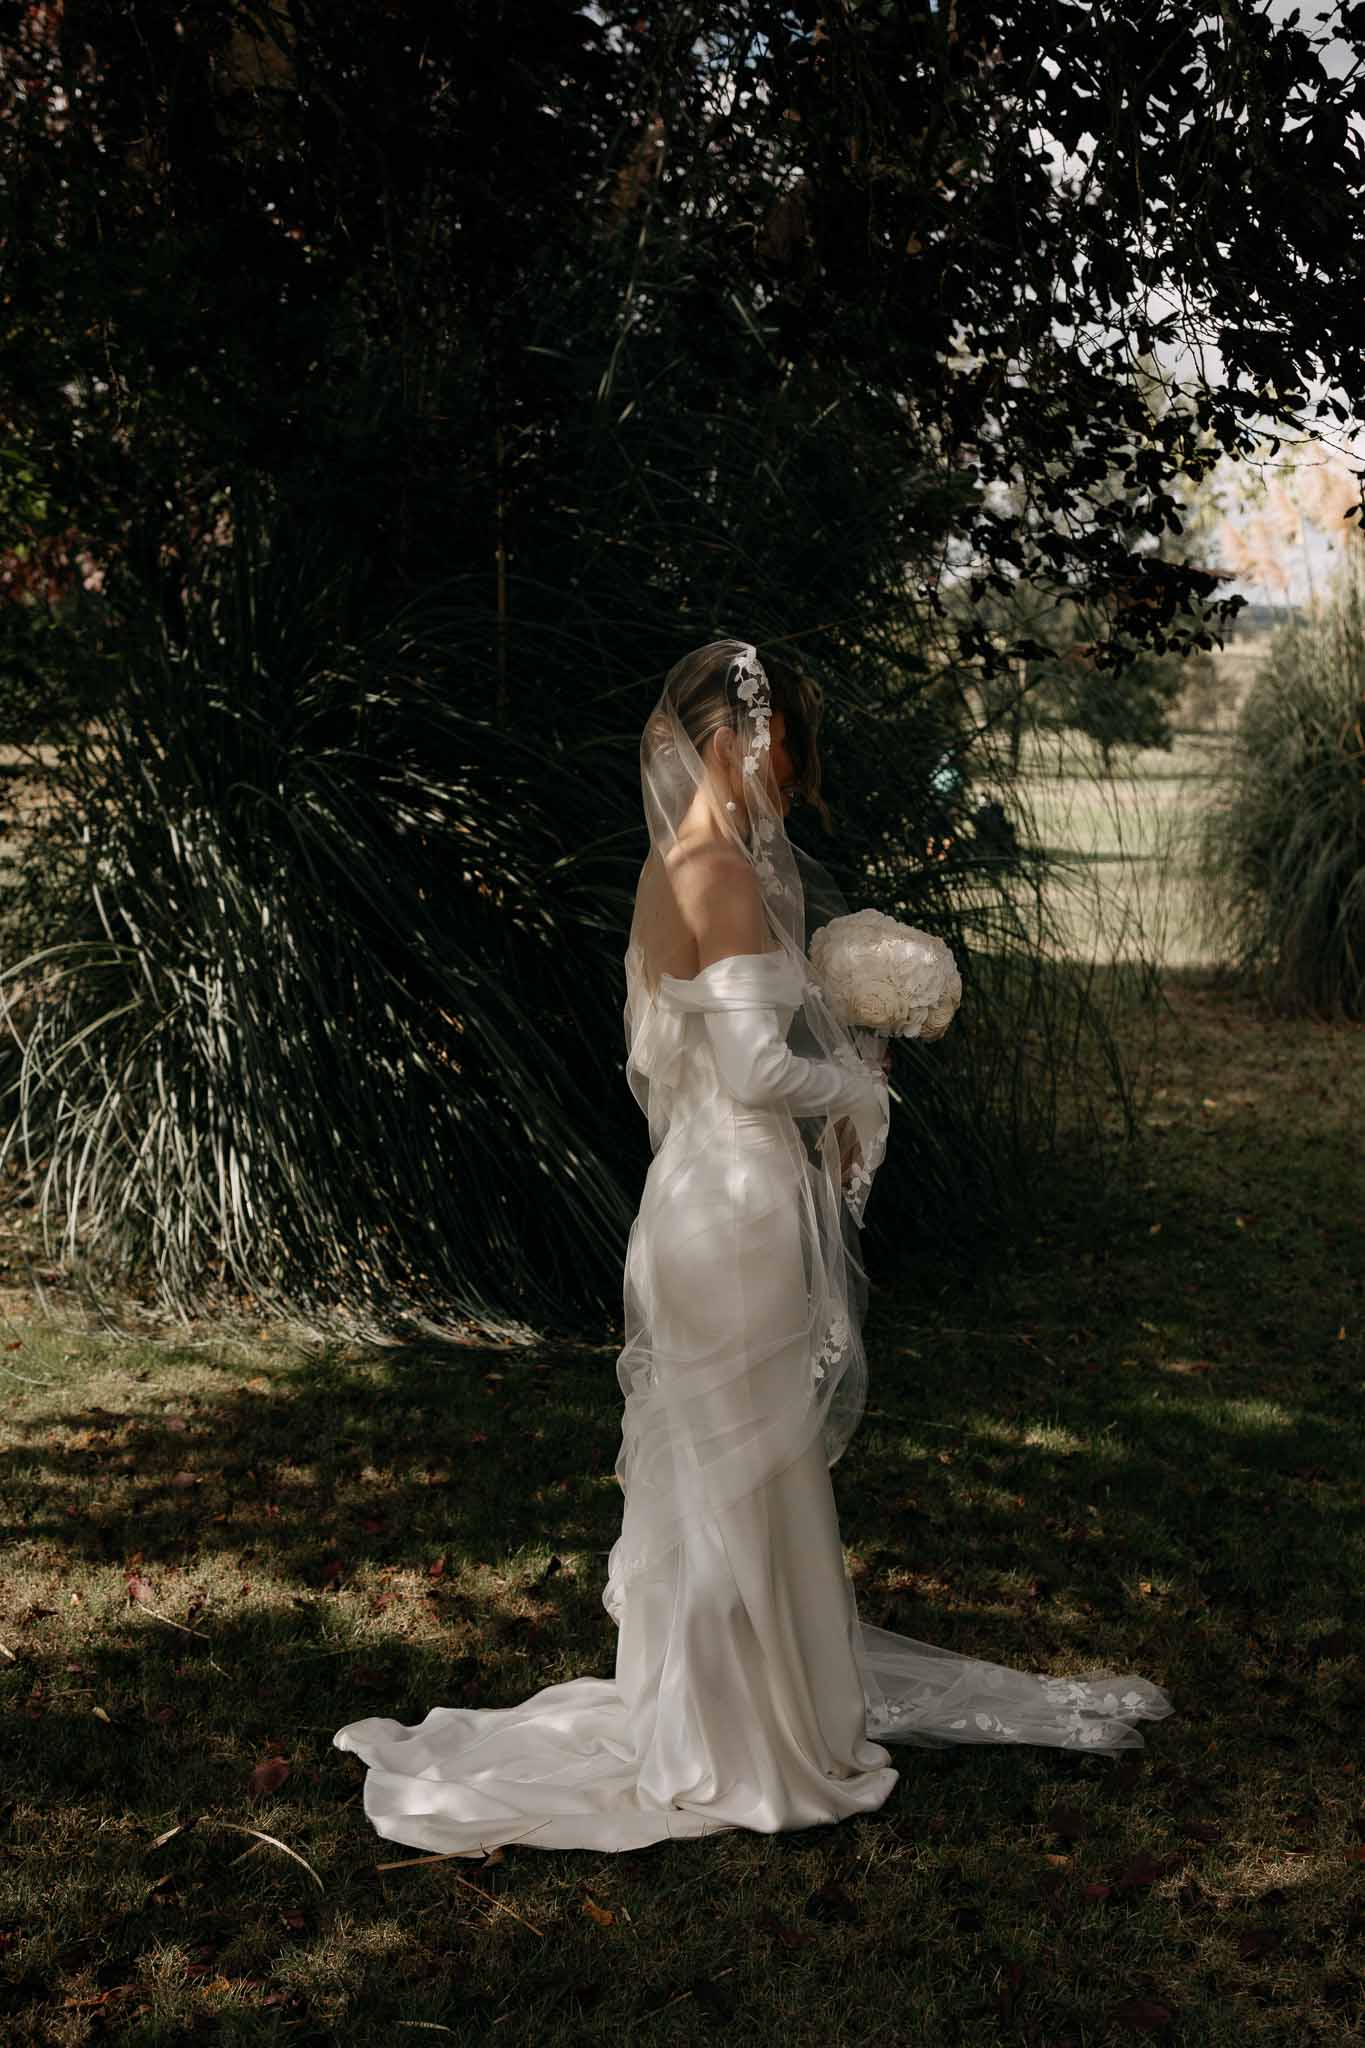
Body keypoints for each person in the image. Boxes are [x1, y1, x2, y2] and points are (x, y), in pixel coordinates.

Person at [332, 638, 1173, 1857]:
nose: (786, 773)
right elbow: (755, 1067)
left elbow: (664, 1068)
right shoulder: (720, 870)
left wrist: (827, 1085)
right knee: (744, 1458)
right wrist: (860, 1090)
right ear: (730, 737)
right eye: (780, 747)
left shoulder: (667, 863)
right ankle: (742, 1741)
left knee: (736, 1462)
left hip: (698, 1187)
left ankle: (721, 1714)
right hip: (733, 1203)